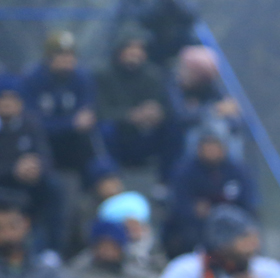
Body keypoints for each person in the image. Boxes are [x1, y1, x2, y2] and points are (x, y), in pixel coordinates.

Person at [163, 128, 258, 258]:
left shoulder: (238, 170)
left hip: (233, 226)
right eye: (207, 145)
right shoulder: (185, 171)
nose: (211, 150)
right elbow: (179, 204)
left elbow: (249, 203)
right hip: (196, 227)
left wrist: (222, 210)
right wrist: (194, 210)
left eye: (215, 145)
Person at [0, 74, 67, 255]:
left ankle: (52, 251)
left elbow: (45, 156)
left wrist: (36, 167)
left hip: (28, 182)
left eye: (12, 98)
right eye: (3, 98)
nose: (7, 103)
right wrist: (13, 169)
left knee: (54, 188)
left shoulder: (31, 123)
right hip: (3, 182)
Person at [95, 24, 173, 178]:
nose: (135, 53)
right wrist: (130, 115)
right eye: (130, 48)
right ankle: (112, 179)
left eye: (139, 49)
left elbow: (167, 106)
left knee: (172, 126)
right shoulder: (103, 75)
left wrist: (157, 113)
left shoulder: (153, 75)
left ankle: (166, 180)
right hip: (118, 135)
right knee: (106, 129)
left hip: (144, 134)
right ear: (119, 51)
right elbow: (99, 111)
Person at [20, 31, 97, 176]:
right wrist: (70, 123)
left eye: (71, 54)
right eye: (61, 54)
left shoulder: (82, 78)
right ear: (48, 57)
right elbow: (31, 122)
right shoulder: (32, 79)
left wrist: (76, 123)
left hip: (72, 139)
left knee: (89, 143)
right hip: (42, 139)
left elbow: (86, 116)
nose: (67, 59)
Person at [169, 46, 245, 166]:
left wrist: (205, 111)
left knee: (224, 132)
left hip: (215, 139)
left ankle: (231, 169)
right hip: (179, 141)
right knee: (195, 133)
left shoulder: (211, 87)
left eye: (187, 70)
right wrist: (213, 110)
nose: (181, 72)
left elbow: (234, 120)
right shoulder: (174, 85)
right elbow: (181, 117)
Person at [98, 190, 164, 271]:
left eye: (137, 224)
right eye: (127, 227)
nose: (134, 231)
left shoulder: (157, 259)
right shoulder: (96, 261)